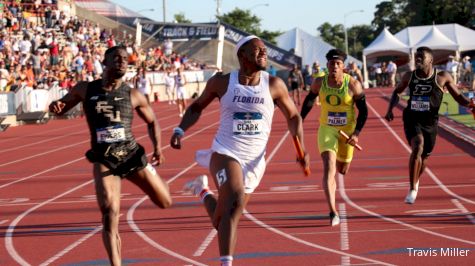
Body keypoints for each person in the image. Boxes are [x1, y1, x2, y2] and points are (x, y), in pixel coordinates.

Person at [170, 35, 309, 266]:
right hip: (225, 151)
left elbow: (294, 115)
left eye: (265, 49)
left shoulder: (274, 85)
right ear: (242, 55)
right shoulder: (222, 82)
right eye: (258, 50)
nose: (264, 53)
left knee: (227, 219)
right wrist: (180, 129)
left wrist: (300, 147)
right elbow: (196, 106)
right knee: (233, 198)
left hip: (255, 161)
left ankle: (202, 190)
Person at [49, 46, 172, 265]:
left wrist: (158, 149)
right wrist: (55, 106)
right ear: (105, 62)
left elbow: (153, 122)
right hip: (104, 158)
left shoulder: (133, 94)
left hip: (132, 155)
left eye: (125, 59)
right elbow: (60, 107)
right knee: (109, 211)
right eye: (116, 58)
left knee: (165, 202)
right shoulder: (85, 89)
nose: (122, 62)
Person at [385, 46, 474, 204]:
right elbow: (397, 92)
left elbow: (459, 97)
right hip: (412, 118)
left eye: (421, 57)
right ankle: (412, 189)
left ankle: (416, 180)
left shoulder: (442, 77)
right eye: (416, 57)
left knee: (425, 156)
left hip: (431, 121)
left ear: (430, 60)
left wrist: (471, 104)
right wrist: (390, 109)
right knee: (418, 146)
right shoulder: (409, 76)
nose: (417, 59)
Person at [300, 49, 368, 226]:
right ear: (327, 65)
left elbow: (364, 111)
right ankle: (333, 211)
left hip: (347, 131)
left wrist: (357, 134)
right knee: (328, 166)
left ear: (343, 67)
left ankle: (340, 164)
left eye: (338, 64)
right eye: (331, 64)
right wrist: (299, 120)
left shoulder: (353, 84)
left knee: (342, 169)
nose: (334, 67)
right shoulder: (318, 82)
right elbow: (309, 100)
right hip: (327, 128)